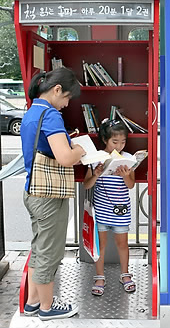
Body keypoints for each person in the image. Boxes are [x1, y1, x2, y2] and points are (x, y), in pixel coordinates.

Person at [21, 68, 85, 320]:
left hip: (32, 191)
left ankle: (32, 303)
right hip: (48, 197)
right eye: (67, 98)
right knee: (50, 252)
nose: (67, 104)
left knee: (39, 248)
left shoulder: (32, 111)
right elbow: (66, 158)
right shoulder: (51, 115)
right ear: (57, 90)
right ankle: (47, 308)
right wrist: (78, 149)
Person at [83, 119, 136, 296]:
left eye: (123, 142)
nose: (119, 146)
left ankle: (125, 274)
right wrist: (96, 174)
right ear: (105, 140)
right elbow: (87, 185)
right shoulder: (95, 159)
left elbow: (131, 186)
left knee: (123, 243)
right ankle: (99, 276)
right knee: (101, 245)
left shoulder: (128, 159)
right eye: (115, 142)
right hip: (100, 210)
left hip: (121, 208)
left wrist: (126, 175)